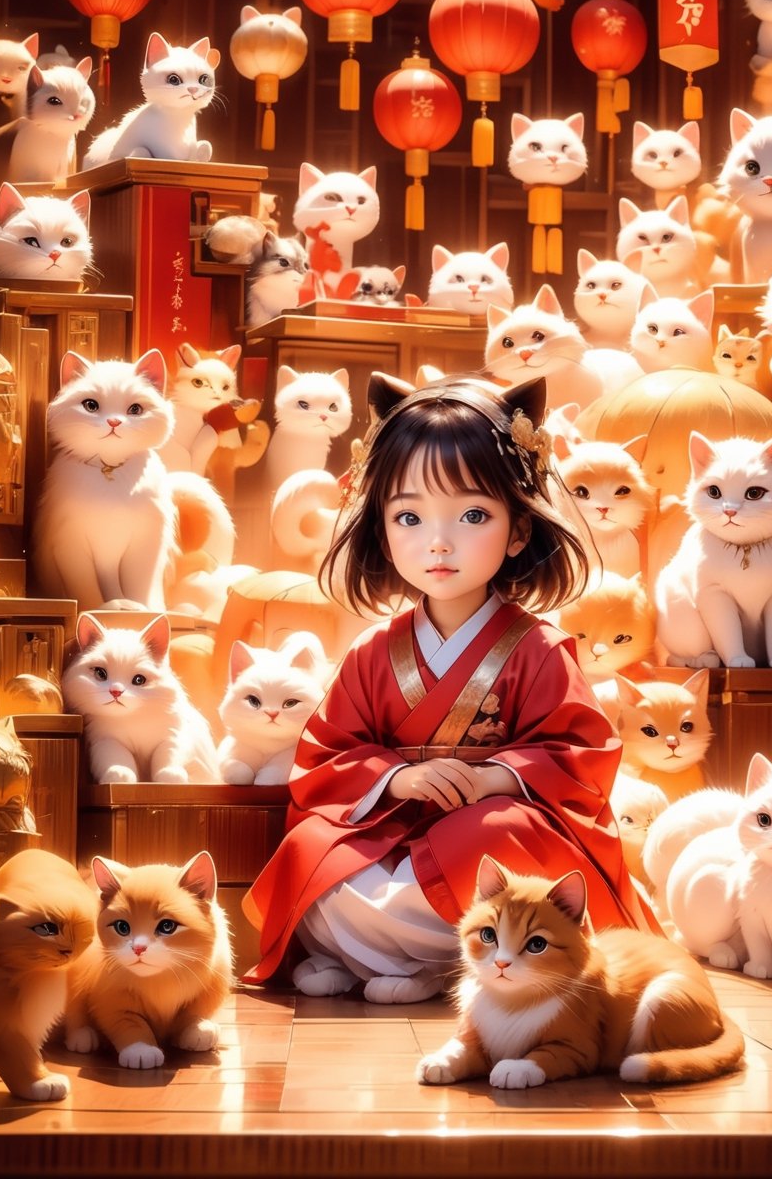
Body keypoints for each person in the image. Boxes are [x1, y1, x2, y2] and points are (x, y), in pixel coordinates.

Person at [242, 372, 658, 1002]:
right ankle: (397, 959)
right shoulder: (372, 651)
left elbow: (581, 755)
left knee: (493, 836)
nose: (437, 542)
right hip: (391, 827)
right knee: (309, 845)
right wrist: (396, 779)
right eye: (408, 515)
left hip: (482, 832)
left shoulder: (540, 649)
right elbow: (327, 757)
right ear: (381, 529)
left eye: (472, 514)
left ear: (518, 530)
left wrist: (498, 778)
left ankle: (430, 964)